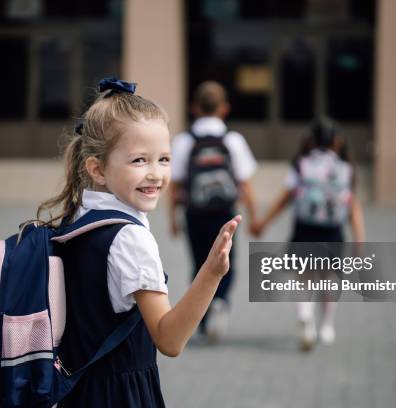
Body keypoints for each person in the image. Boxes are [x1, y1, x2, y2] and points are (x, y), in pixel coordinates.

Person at [37, 78, 241, 407]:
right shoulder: (130, 239)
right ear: (97, 169)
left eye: (164, 159)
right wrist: (212, 272)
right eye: (139, 161)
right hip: (120, 395)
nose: (156, 174)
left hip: (77, 389)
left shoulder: (77, 216)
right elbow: (169, 339)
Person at [251, 117, 366, 351]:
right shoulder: (345, 168)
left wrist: (263, 222)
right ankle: (327, 325)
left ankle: (305, 316)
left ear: (310, 140)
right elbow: (353, 206)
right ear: (337, 141)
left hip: (305, 228)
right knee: (329, 278)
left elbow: (286, 198)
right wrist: (360, 239)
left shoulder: (302, 164)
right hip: (332, 230)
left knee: (303, 277)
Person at [168, 81, 257, 342]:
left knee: (199, 263)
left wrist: (173, 218)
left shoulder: (184, 141)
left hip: (194, 212)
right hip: (226, 213)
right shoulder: (233, 140)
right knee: (227, 262)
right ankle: (221, 301)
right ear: (224, 108)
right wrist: (254, 217)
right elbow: (245, 183)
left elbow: (175, 184)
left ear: (194, 108)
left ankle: (203, 320)